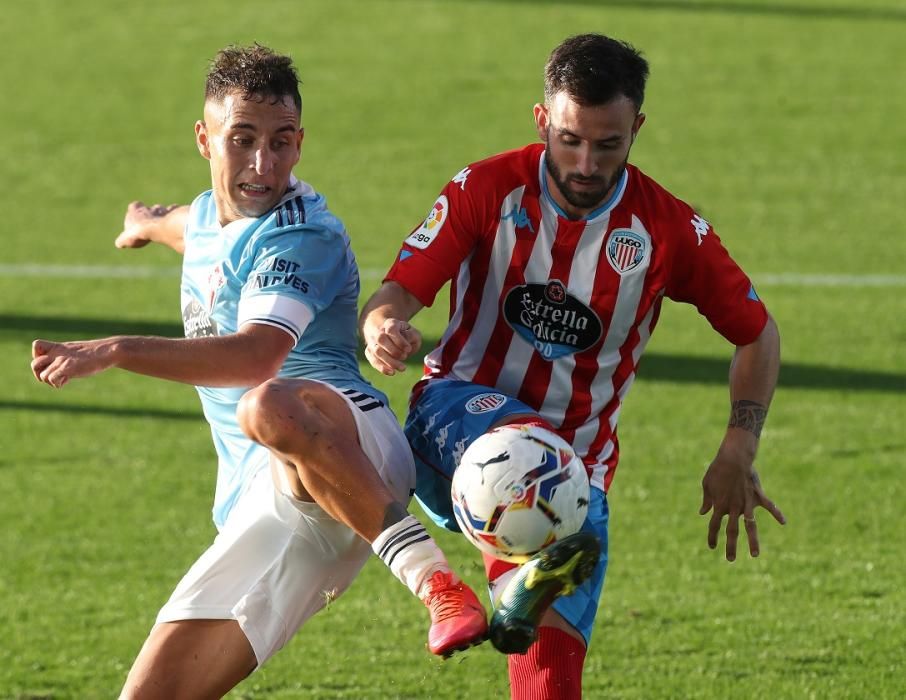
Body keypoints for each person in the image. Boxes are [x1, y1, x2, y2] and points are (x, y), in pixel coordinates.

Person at [30, 44, 487, 699]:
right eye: (241, 140)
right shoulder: (212, 214)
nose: (261, 165)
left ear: (300, 143)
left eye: (280, 143)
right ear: (204, 138)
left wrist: (116, 349)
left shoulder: (302, 233)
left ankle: (437, 584)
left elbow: (255, 357)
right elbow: (189, 226)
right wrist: (144, 222)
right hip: (265, 506)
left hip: (347, 436)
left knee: (265, 403)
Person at [360, 33, 787, 700]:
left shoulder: (667, 230)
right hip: (452, 420)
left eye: (608, 144)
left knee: (550, 683)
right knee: (537, 457)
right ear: (542, 120)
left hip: (575, 486)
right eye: (570, 139)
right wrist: (383, 326)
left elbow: (758, 334)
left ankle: (527, 584)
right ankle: (531, 561)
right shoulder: (486, 188)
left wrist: (739, 445)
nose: (586, 162)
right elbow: (398, 292)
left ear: (636, 128)